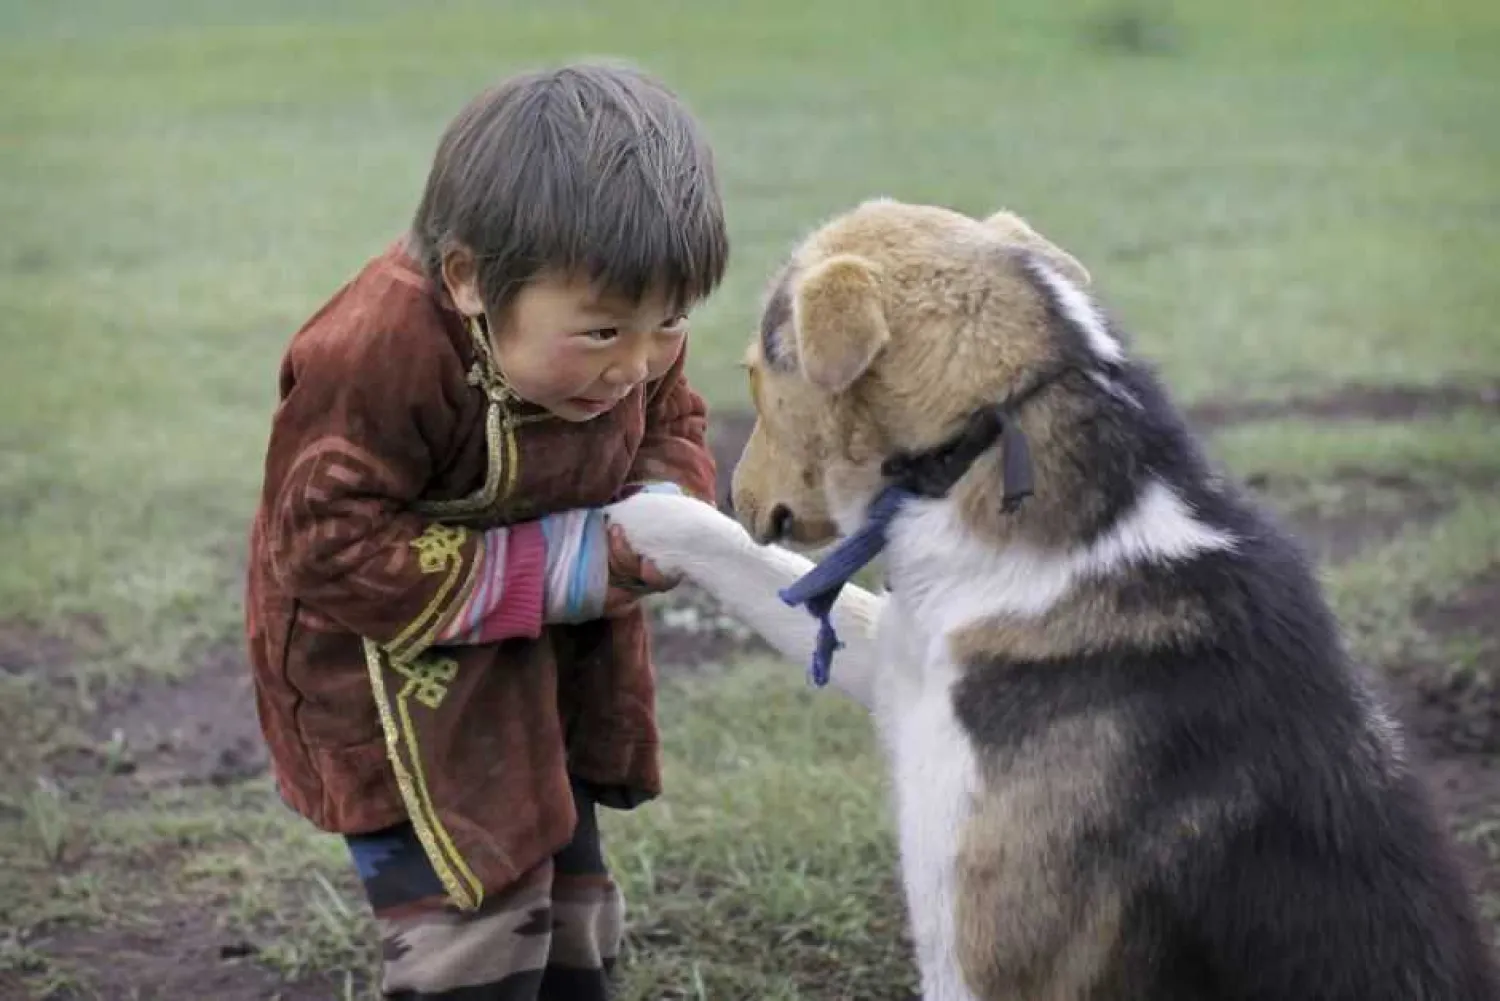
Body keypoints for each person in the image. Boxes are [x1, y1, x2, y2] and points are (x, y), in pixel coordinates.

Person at [242, 62, 727, 1000]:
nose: (636, 362)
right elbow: (322, 541)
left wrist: (669, 505)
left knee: (569, 890)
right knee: (473, 922)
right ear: (468, 279)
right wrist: (570, 565)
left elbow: (676, 423)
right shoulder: (377, 349)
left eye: (668, 322)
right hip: (389, 674)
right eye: (599, 335)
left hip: (537, 662)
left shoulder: (634, 328)